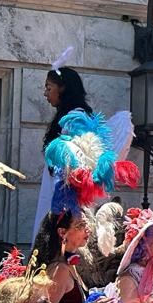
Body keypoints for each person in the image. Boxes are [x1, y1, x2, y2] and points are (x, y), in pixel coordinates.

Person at [34, 63, 95, 235]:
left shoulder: (76, 119)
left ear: (63, 88)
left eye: (48, 87)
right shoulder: (69, 117)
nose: (45, 93)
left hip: (67, 190)